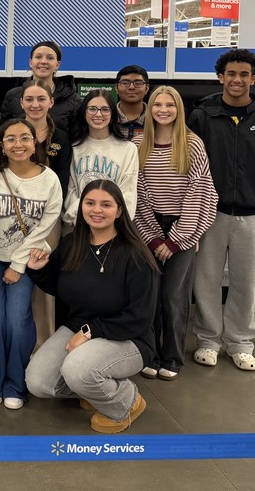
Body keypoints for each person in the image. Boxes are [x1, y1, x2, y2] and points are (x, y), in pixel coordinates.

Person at [24, 180, 158, 434]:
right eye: (90, 203)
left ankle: (126, 402)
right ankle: (96, 390)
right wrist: (38, 271)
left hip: (128, 337)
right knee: (37, 382)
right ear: (81, 207)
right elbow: (61, 287)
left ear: (119, 211)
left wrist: (90, 332)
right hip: (79, 327)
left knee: (77, 370)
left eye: (106, 205)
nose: (97, 210)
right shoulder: (72, 244)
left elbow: (140, 317)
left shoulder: (135, 254)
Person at [188, 49, 255, 372]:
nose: (237, 80)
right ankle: (208, 340)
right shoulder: (202, 116)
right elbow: (191, 162)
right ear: (221, 77)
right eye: (231, 74)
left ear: (253, 79)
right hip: (210, 214)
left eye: (244, 74)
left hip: (253, 215)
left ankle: (241, 343)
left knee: (246, 282)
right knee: (206, 281)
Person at [0, 119, 61, 410]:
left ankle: (15, 384)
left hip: (26, 259)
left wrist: (18, 264)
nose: (18, 144)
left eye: (24, 138)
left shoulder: (49, 179)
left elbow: (46, 226)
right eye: (11, 139)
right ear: (1, 144)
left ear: (35, 142)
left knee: (18, 321)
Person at [134, 86, 217, 380]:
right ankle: (150, 354)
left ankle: (172, 357)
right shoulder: (137, 144)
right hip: (147, 228)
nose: (163, 110)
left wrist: (178, 239)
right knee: (150, 296)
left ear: (178, 109)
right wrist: (153, 238)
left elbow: (200, 194)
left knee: (173, 296)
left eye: (170, 105)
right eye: (158, 104)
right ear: (150, 109)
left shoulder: (192, 144)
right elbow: (137, 194)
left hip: (184, 226)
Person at [18, 81, 70, 345]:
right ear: (21, 103)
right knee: (16, 277)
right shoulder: (12, 132)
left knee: (43, 283)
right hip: (14, 216)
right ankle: (17, 342)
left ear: (51, 102)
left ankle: (43, 346)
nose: (35, 104)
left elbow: (63, 182)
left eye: (41, 99)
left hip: (49, 219)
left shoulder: (61, 137)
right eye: (29, 99)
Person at [63, 89, 138, 230]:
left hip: (113, 229)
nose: (98, 114)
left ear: (113, 114)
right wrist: (85, 218)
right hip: (78, 227)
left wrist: (107, 222)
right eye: (92, 109)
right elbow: (70, 191)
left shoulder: (128, 149)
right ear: (84, 113)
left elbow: (128, 194)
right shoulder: (73, 148)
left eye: (105, 109)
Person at [0, 40, 81, 132]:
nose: (43, 61)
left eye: (50, 58)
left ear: (57, 65)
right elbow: (2, 133)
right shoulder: (13, 96)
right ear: (30, 62)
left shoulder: (73, 100)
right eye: (38, 57)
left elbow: (76, 137)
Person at [115, 65, 149, 140]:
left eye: (138, 83)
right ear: (116, 88)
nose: (131, 87)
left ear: (147, 88)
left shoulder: (155, 118)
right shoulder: (107, 117)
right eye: (125, 83)